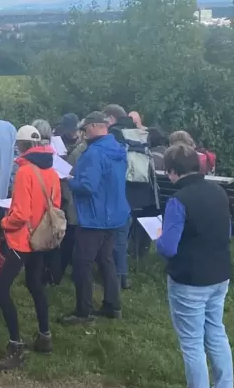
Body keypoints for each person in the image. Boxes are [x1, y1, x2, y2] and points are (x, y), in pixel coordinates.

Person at [156, 144, 234, 388]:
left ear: (172, 171)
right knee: (216, 332)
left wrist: (159, 237)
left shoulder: (178, 200)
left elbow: (168, 247)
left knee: (192, 343)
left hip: (189, 279)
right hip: (220, 273)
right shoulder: (220, 192)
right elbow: (228, 230)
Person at [0, 125, 61, 371]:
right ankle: (45, 336)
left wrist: (3, 222)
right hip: (41, 238)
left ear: (20, 146)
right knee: (35, 285)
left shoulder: (24, 172)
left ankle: (15, 346)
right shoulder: (51, 171)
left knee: (1, 288)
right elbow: (55, 204)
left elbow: (19, 214)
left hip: (22, 240)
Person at [61, 112, 129, 324]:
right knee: (106, 259)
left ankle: (84, 311)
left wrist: (69, 180)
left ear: (91, 127)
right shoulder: (118, 148)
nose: (82, 134)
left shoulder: (93, 153)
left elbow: (88, 186)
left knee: (82, 262)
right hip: (115, 214)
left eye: (84, 129)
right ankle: (112, 305)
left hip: (94, 216)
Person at [103, 104, 157, 289]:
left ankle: (116, 278)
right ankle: (123, 275)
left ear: (111, 118)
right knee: (123, 233)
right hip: (141, 191)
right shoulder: (140, 134)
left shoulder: (114, 134)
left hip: (121, 189)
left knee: (117, 235)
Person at [47, 113, 85, 285]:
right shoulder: (57, 141)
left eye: (75, 130)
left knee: (70, 232)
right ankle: (57, 270)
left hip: (71, 189)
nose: (73, 134)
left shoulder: (81, 145)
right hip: (60, 188)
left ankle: (62, 268)